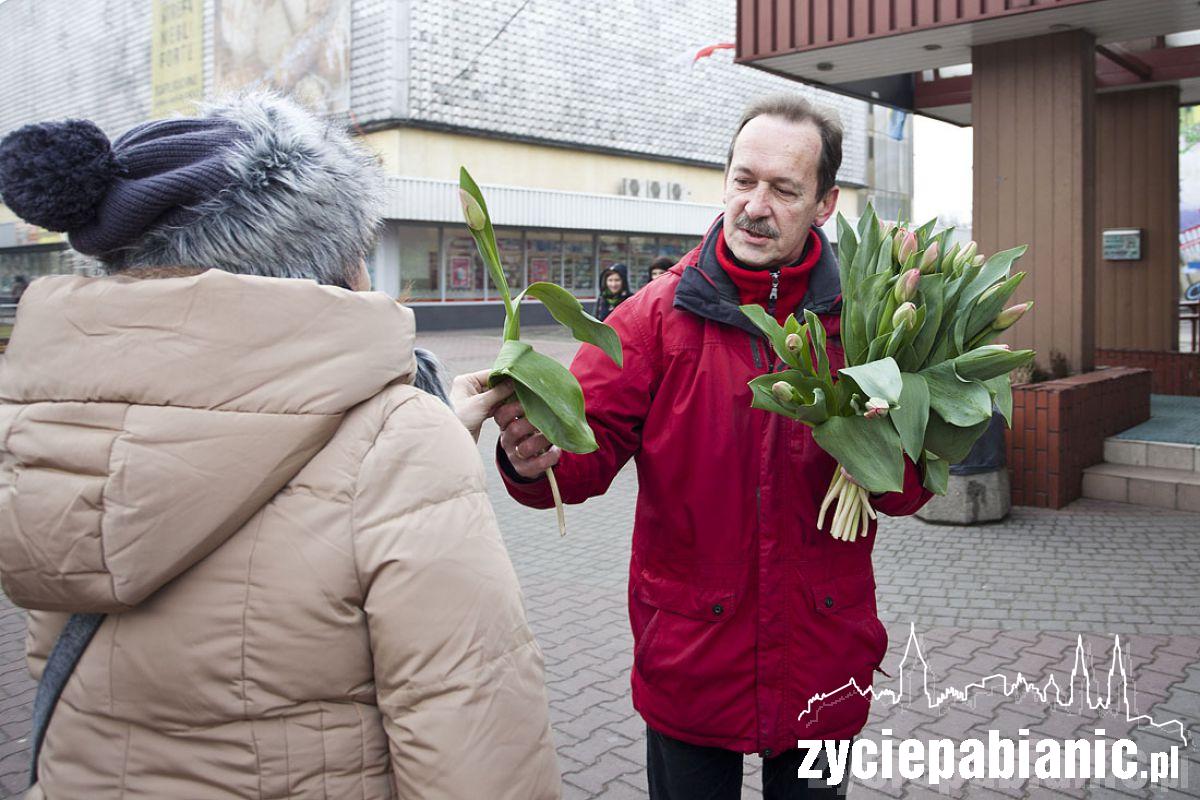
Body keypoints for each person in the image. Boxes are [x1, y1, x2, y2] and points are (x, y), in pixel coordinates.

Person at [0, 93, 559, 800]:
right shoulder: (397, 444)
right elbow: (476, 745)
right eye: (361, 249)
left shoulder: (51, 425)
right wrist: (419, 446)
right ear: (326, 262)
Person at [493, 94, 931, 799]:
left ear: (825, 204)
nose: (756, 205)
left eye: (785, 190)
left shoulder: (872, 323)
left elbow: (907, 489)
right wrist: (528, 454)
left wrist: (881, 447)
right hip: (691, 649)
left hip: (823, 644)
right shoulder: (654, 318)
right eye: (743, 179)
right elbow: (580, 459)